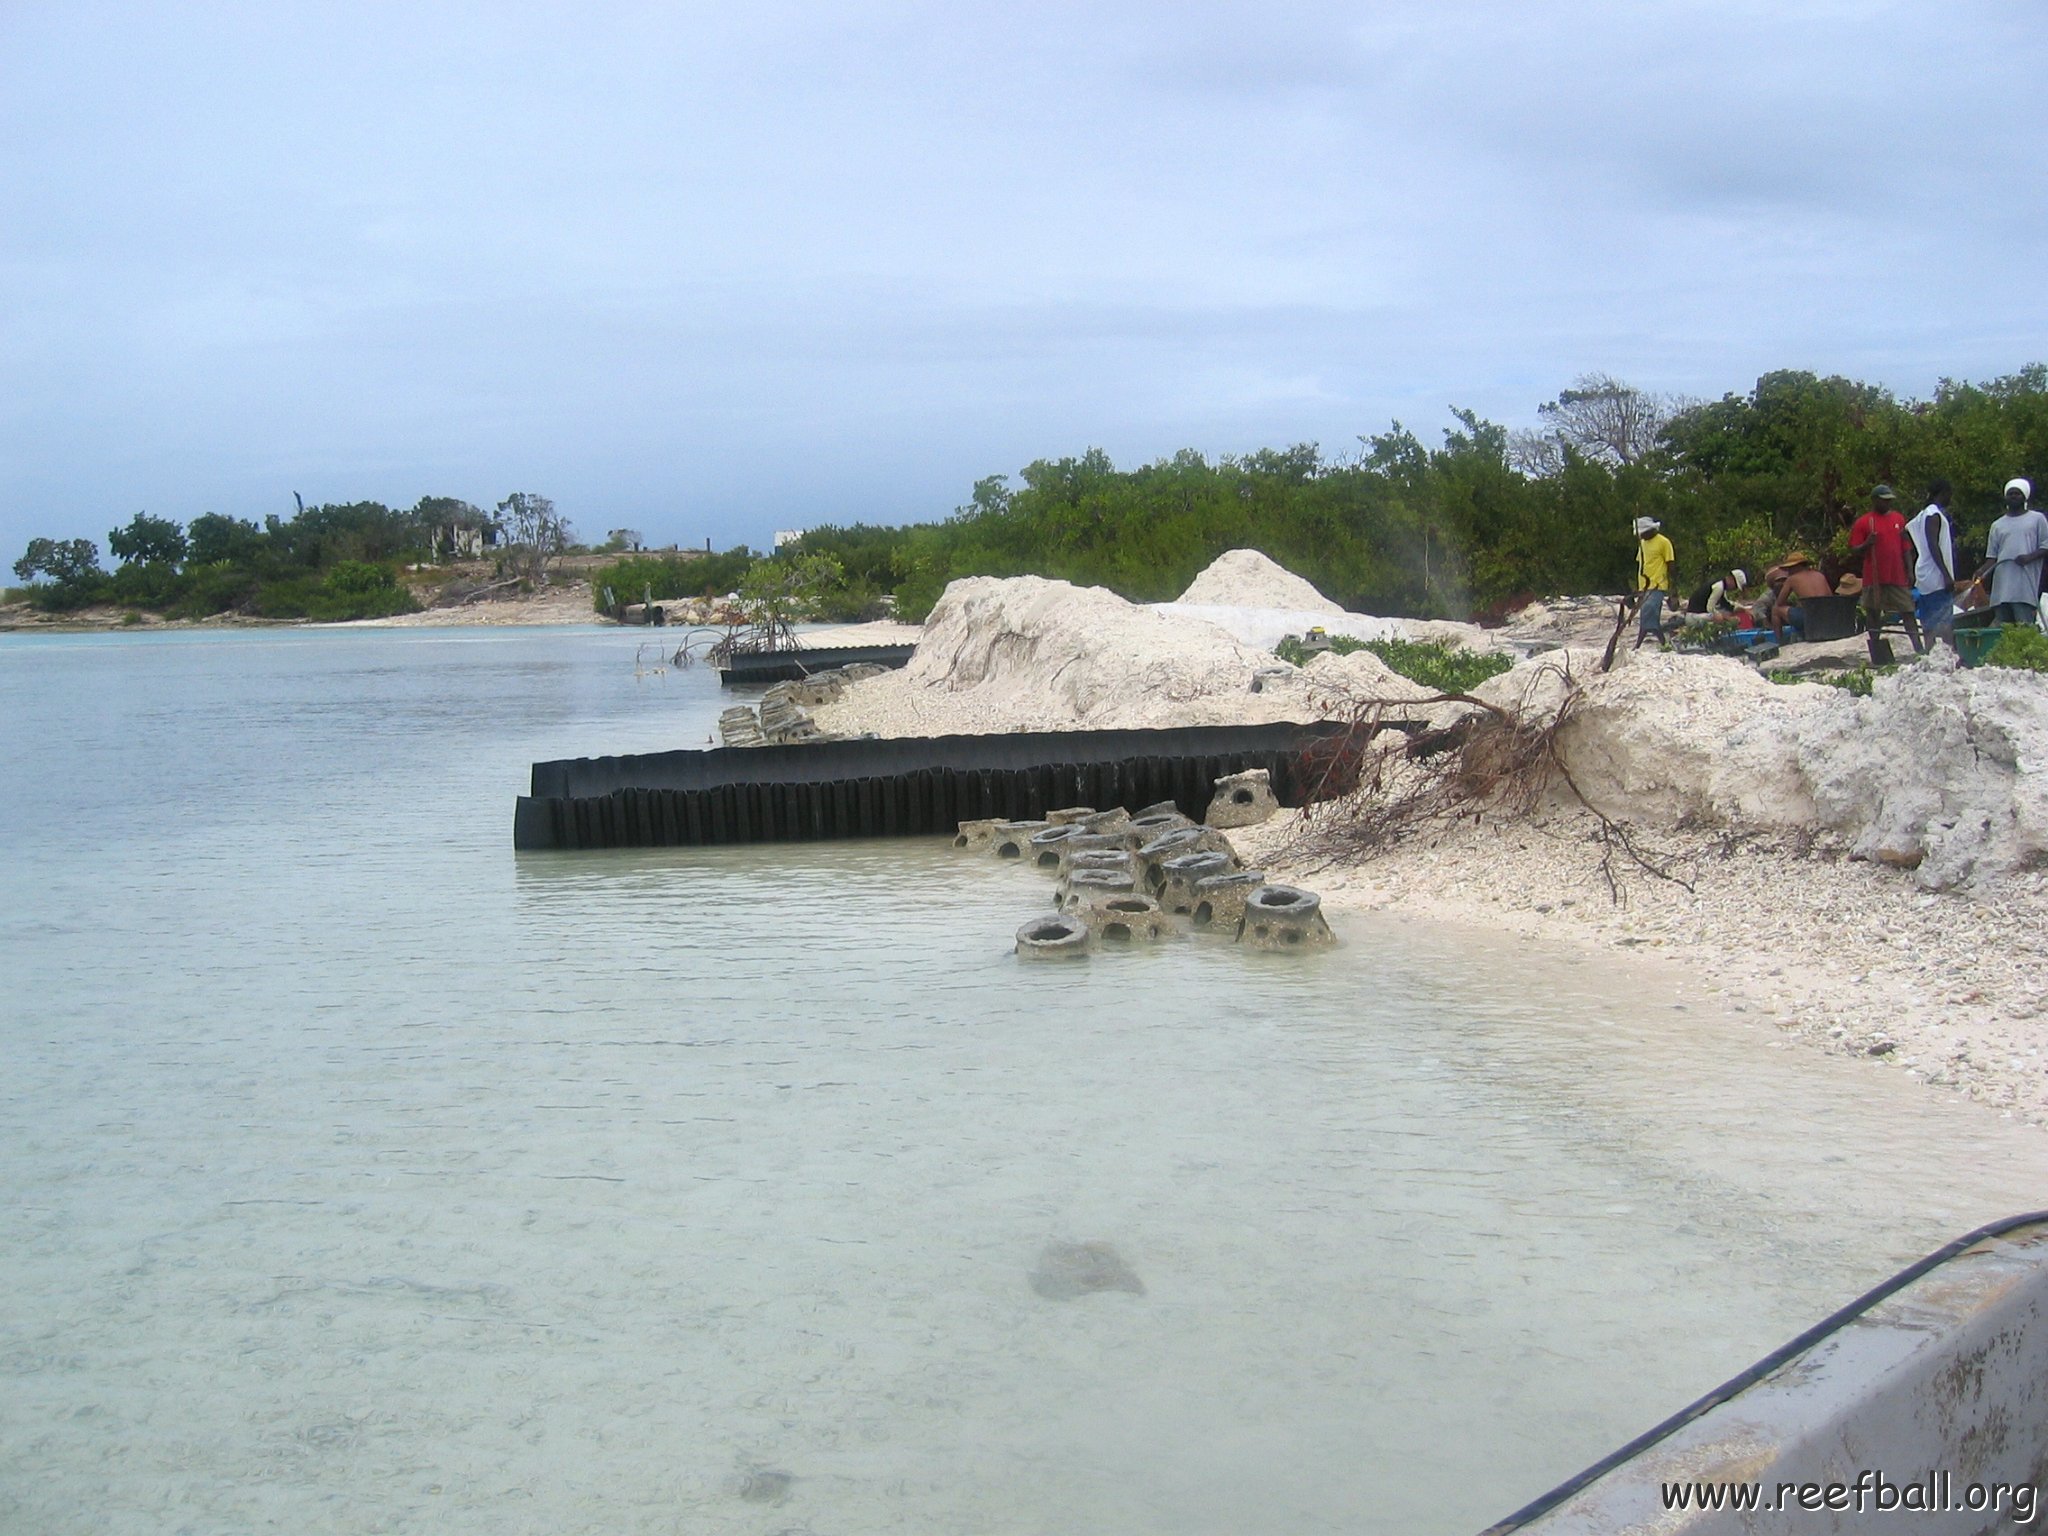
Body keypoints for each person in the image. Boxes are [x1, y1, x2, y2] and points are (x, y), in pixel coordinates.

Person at [1848, 484, 1925, 659]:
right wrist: (1867, 543)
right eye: (1884, 501)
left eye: (1889, 501)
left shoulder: (1898, 519)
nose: (1888, 504)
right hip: (1874, 577)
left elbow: (1906, 547)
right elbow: (1854, 549)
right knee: (1873, 612)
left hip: (1897, 576)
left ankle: (1918, 648)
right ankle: (1875, 648)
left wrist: (1910, 570)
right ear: (1875, 500)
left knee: (1908, 611)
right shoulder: (1864, 522)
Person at [1977, 477, 2048, 625]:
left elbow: (2045, 546)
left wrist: (2029, 557)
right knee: (2002, 631)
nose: (2014, 496)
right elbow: (1992, 557)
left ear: (2025, 497)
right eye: (2010, 494)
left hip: (2025, 588)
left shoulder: (2037, 519)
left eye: (2017, 493)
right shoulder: (1997, 525)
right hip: (2002, 590)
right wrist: (1982, 572)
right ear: (2005, 497)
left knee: (2024, 629)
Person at [1905, 478, 1958, 644]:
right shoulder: (1934, 515)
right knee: (1944, 620)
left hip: (1924, 574)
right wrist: (1946, 575)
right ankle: (1949, 654)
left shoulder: (1922, 515)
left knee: (1928, 621)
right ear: (1944, 493)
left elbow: (1905, 533)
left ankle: (1929, 654)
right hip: (1936, 577)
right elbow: (1933, 546)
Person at [1767, 552, 1834, 642]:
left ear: (1797, 566)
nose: (1788, 571)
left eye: (1790, 568)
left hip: (1809, 620)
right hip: (1828, 618)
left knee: (1775, 610)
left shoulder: (1792, 579)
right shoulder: (1819, 575)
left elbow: (1780, 603)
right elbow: (1831, 598)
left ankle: (1780, 642)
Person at [1633, 516, 1675, 648]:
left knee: (1650, 614)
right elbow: (1642, 566)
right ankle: (1661, 644)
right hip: (1644, 587)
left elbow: (1671, 565)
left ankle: (1657, 643)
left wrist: (1674, 590)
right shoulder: (1643, 544)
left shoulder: (1663, 542)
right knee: (1646, 616)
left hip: (1658, 584)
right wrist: (1638, 588)